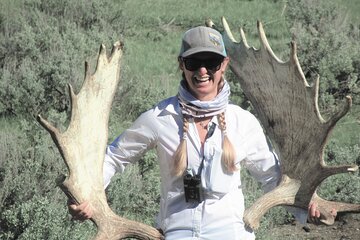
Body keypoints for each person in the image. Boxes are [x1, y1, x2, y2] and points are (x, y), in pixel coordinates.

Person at [69, 26, 331, 239]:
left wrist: (307, 205)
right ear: (182, 64)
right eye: (194, 62)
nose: (203, 70)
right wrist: (88, 196)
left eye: (212, 62)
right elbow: (114, 157)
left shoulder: (242, 122)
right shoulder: (160, 118)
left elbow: (273, 177)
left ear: (224, 64)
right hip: (176, 233)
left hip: (233, 234)